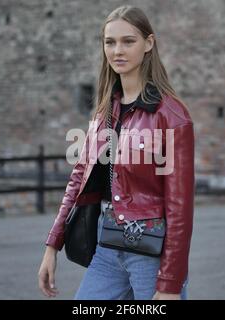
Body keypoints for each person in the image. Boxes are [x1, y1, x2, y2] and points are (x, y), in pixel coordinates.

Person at [38, 5, 194, 300]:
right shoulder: (104, 113)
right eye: (110, 42)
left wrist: (170, 283)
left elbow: (180, 207)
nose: (117, 51)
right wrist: (52, 246)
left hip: (151, 251)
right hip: (107, 246)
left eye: (128, 41)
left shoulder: (172, 116)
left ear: (149, 44)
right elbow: (78, 180)